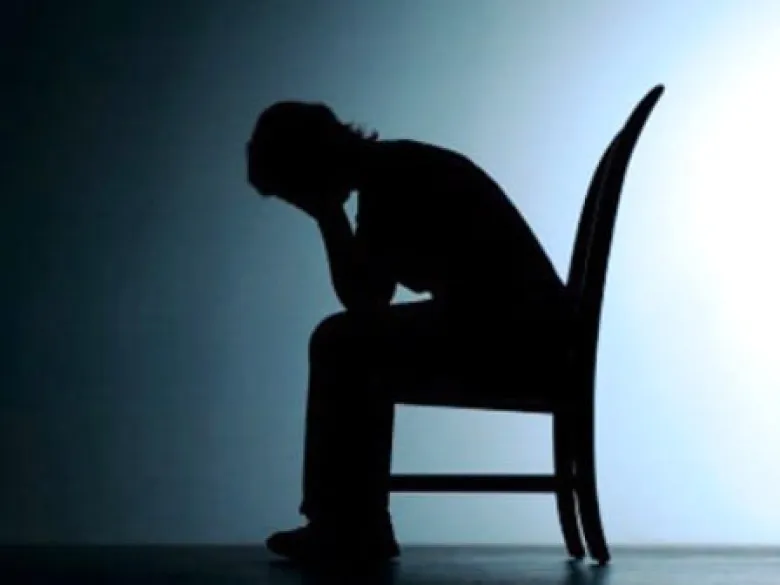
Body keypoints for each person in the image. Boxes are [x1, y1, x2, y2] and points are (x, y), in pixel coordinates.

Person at [246, 101, 571, 566]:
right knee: (350, 342)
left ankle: (349, 526)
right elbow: (370, 298)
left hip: (518, 339)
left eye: (296, 191)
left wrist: (328, 215)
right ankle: (351, 522)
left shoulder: (396, 178)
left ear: (311, 163)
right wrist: (330, 213)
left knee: (342, 343)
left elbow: (365, 297)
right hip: (523, 330)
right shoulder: (397, 169)